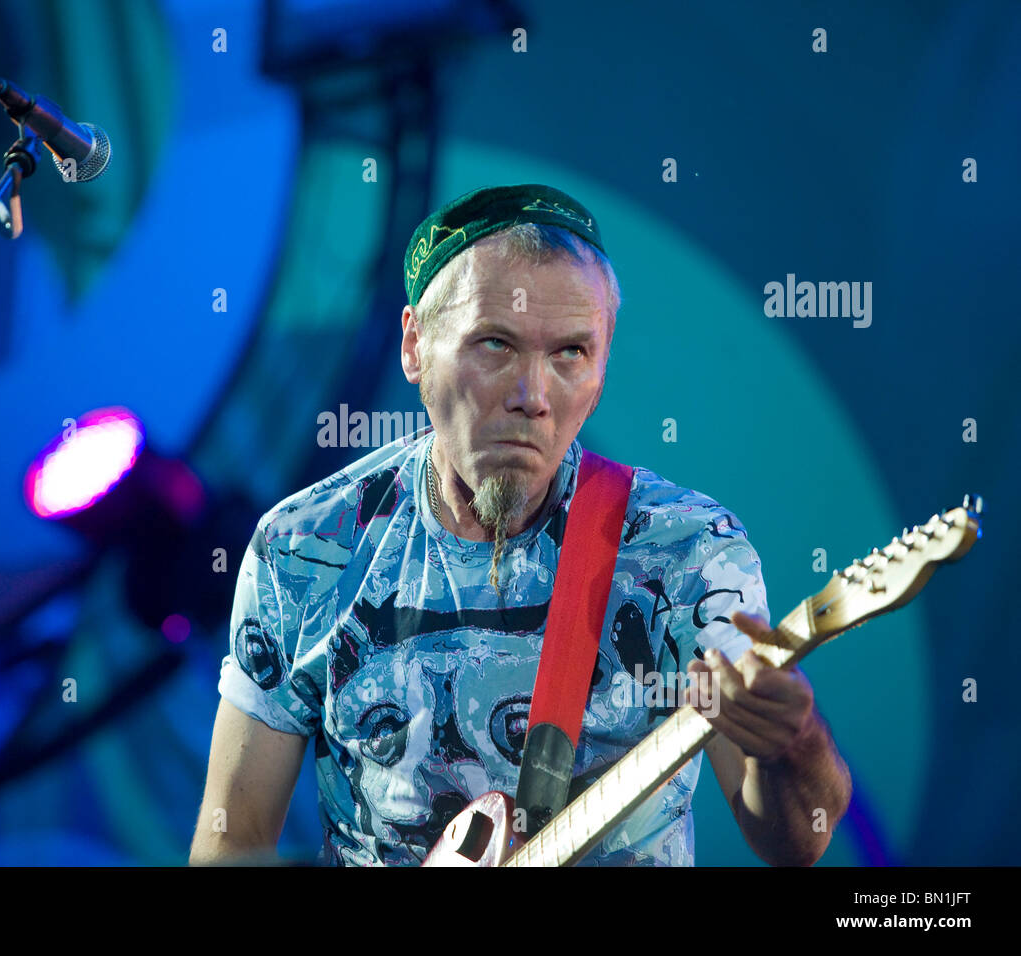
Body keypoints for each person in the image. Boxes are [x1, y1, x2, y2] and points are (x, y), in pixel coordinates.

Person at [189, 184, 851, 866]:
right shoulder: (306, 549)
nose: (532, 397)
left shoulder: (687, 555)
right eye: (495, 345)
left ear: (603, 358)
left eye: (570, 353)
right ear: (415, 345)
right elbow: (232, 838)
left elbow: (797, 844)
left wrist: (793, 743)